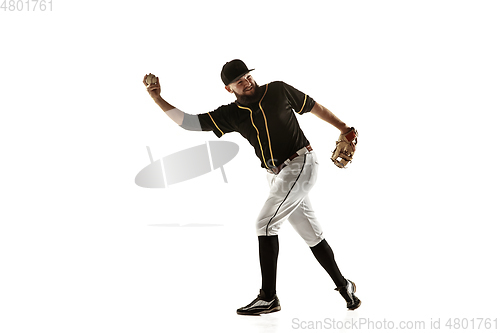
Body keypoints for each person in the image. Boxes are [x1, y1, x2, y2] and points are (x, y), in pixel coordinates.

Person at [143, 59, 361, 315]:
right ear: (229, 88)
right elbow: (189, 123)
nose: (246, 82)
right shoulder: (231, 114)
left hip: (301, 163)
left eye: (247, 76)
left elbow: (314, 107)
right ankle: (344, 286)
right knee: (312, 235)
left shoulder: (277, 90)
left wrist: (344, 128)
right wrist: (158, 98)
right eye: (239, 81)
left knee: (265, 223)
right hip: (276, 175)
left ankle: (268, 297)